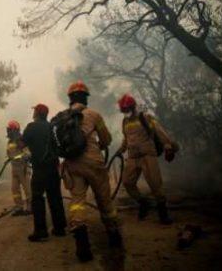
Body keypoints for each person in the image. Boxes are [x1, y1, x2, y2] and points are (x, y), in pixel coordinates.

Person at [58, 81, 122, 262]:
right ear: (85, 98)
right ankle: (114, 236)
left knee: (77, 202)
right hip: (93, 163)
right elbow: (106, 139)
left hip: (72, 165)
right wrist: (99, 145)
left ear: (70, 99)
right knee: (104, 200)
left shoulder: (64, 117)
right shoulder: (94, 115)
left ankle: (82, 247)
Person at [117, 94, 177, 225]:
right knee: (127, 182)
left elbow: (159, 131)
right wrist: (121, 150)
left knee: (155, 184)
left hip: (147, 155)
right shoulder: (125, 122)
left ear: (133, 107)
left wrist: (167, 145)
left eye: (127, 109)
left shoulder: (145, 117)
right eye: (123, 110)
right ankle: (143, 203)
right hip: (133, 157)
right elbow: (126, 138)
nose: (125, 112)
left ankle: (163, 214)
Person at [19, 103, 67, 242]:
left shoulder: (31, 127)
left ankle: (41, 231)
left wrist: (18, 137)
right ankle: (59, 228)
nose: (33, 113)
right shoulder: (52, 127)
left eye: (34, 111)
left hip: (40, 168)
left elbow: (21, 145)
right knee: (55, 197)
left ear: (37, 113)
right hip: (53, 167)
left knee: (38, 198)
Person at [6, 120, 32, 216]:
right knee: (15, 189)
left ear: (14, 130)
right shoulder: (10, 141)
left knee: (27, 189)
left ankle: (30, 207)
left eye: (9, 129)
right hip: (15, 169)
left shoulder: (21, 140)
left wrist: (21, 157)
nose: (8, 131)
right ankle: (19, 207)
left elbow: (28, 153)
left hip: (23, 168)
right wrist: (10, 158)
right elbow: (9, 153)